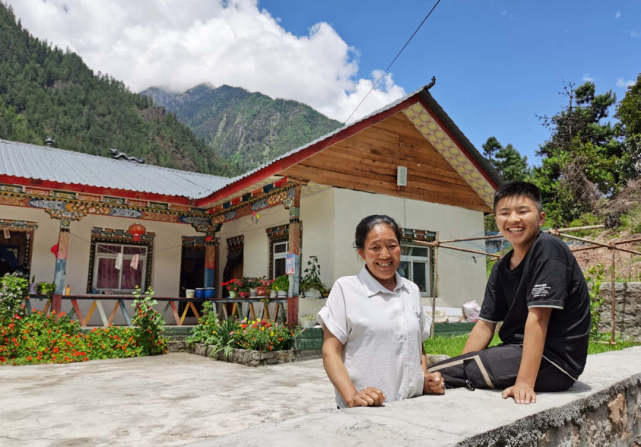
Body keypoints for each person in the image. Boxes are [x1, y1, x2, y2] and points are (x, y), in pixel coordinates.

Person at [429, 181, 590, 404]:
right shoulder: (502, 267)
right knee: (456, 369)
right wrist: (462, 362)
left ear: (541, 218)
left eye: (523, 211)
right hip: (516, 352)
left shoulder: (549, 249)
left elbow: (538, 318)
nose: (513, 219)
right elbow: (485, 324)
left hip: (555, 362)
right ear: (496, 220)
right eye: (504, 213)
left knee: (430, 375)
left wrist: (525, 382)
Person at [318, 214, 444, 408]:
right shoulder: (346, 289)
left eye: (392, 246)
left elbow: (418, 344)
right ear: (361, 252)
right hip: (367, 411)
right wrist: (352, 396)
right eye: (375, 247)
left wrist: (424, 378)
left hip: (413, 407)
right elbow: (330, 351)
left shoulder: (411, 290)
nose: (385, 255)